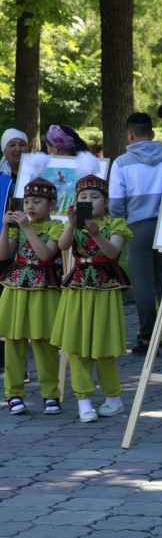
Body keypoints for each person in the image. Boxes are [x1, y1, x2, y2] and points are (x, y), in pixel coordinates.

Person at [51, 153, 132, 423]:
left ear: (106, 201)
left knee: (103, 347)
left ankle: (113, 398)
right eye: (83, 197)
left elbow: (112, 252)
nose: (88, 201)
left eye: (94, 197)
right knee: (75, 346)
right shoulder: (72, 224)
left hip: (104, 288)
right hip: (76, 286)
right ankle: (84, 400)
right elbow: (62, 247)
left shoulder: (116, 224)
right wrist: (73, 223)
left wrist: (97, 233)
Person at [108, 113, 162, 355]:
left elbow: (116, 203)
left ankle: (147, 335)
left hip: (137, 226)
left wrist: (121, 221)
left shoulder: (121, 162)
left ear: (129, 135)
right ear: (152, 134)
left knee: (143, 282)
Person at [0, 156, 63, 415]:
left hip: (43, 286)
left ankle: (51, 393)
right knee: (13, 341)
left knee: (44, 341)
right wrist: (5, 228)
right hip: (16, 285)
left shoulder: (57, 226)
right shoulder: (17, 226)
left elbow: (45, 255)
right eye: (27, 202)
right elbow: (4, 255)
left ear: (51, 204)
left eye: (37, 202)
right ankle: (13, 394)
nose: (30, 206)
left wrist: (26, 228)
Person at [0, 129, 28, 208]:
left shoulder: (35, 175)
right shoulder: (1, 176)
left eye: (22, 145)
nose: (18, 149)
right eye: (12, 145)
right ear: (4, 150)